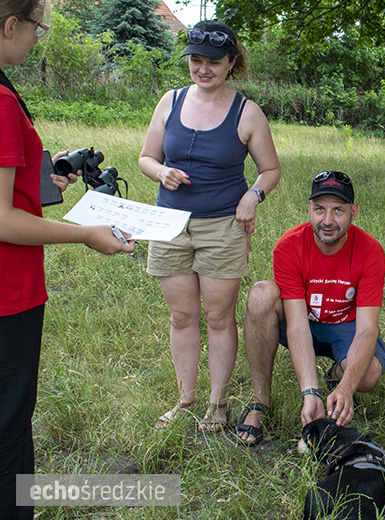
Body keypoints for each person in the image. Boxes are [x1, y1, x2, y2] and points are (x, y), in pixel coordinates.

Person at [1, 2, 135, 517]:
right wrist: (85, 236)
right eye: (38, 27)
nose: (38, 37)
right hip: (7, 295)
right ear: (11, 25)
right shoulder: (2, 102)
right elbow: (3, 220)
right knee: (9, 425)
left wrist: (40, 178)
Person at [138, 19, 281, 432]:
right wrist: (160, 172)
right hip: (170, 224)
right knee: (181, 317)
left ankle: (216, 405)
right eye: (195, 61)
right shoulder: (170, 101)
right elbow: (146, 157)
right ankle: (185, 400)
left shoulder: (247, 112)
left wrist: (253, 196)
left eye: (213, 62)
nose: (203, 69)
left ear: (231, 62)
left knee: (219, 318)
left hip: (222, 227)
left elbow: (269, 170)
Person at [235, 171, 385, 445]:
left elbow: (367, 328)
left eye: (338, 211)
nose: (327, 221)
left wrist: (346, 387)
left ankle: (335, 377)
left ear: (353, 212)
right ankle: (261, 401)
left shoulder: (370, 251)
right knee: (261, 294)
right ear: (309, 208)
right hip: (304, 319)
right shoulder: (289, 246)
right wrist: (310, 392)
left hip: (346, 324)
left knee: (368, 376)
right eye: (320, 209)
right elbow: (296, 323)